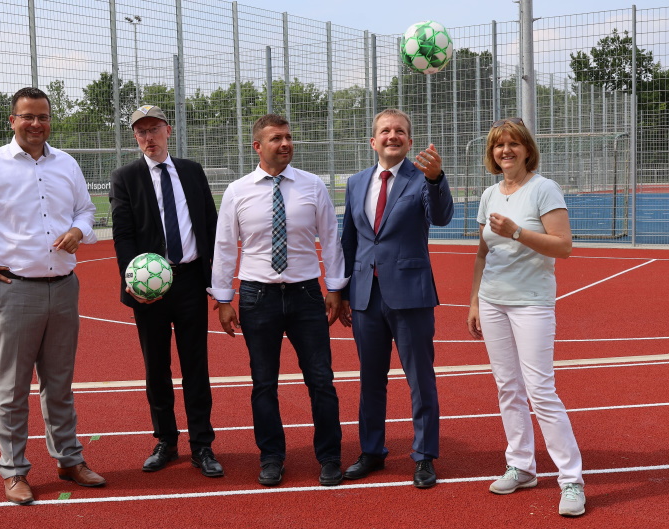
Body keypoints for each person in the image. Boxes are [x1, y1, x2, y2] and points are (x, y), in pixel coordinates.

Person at [0, 87, 106, 505]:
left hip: (64, 288)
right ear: (13, 120)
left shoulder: (66, 164)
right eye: (27, 116)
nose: (36, 124)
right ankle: (14, 471)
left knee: (59, 384)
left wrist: (80, 230)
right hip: (15, 290)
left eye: (43, 116)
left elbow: (86, 209)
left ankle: (68, 459)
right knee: (12, 389)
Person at [208, 113, 348, 488]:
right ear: (257, 146)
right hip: (257, 296)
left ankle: (330, 457)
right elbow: (224, 247)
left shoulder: (313, 185)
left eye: (288, 137)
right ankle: (271, 456)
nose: (285, 144)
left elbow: (330, 239)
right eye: (276, 139)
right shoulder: (237, 191)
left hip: (305, 294)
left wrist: (335, 289)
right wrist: (223, 299)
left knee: (321, 380)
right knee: (263, 382)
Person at [465, 117, 585, 517]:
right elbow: (483, 252)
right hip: (493, 300)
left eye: (513, 144)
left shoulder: (544, 188)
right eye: (499, 146)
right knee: (507, 387)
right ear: (492, 153)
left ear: (527, 149)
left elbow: (563, 247)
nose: (506, 151)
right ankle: (521, 465)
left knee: (540, 390)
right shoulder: (489, 194)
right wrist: (474, 302)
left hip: (532, 301)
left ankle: (571, 480)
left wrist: (517, 232)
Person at [339, 108, 454, 489]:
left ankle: (424, 457)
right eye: (385, 131)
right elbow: (350, 241)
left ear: (409, 140)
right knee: (370, 379)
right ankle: (371, 451)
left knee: (419, 379)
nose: (393, 136)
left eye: (400, 131)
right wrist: (340, 293)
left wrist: (437, 179)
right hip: (364, 297)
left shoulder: (422, 178)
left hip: (410, 295)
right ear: (373, 141)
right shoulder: (355, 182)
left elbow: (441, 218)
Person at [109, 105, 223, 478]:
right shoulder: (125, 178)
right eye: (140, 132)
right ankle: (165, 441)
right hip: (149, 288)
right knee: (156, 368)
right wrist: (133, 280)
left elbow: (210, 222)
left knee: (196, 367)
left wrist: (216, 280)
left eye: (153, 129)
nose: (148, 138)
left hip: (189, 280)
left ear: (168, 131)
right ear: (135, 137)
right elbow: (123, 235)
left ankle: (202, 445)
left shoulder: (191, 171)